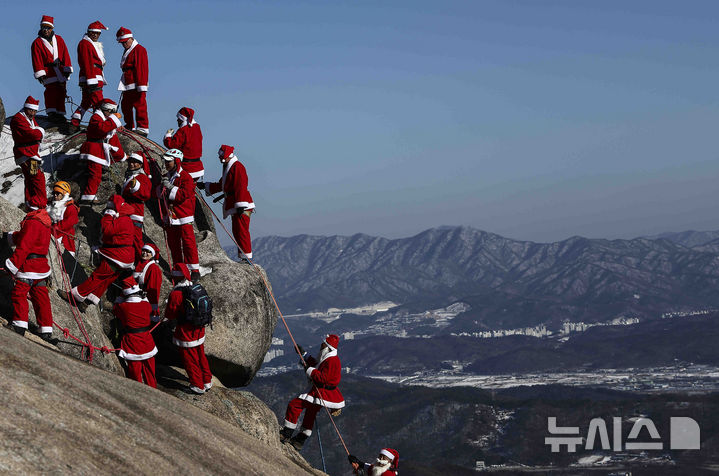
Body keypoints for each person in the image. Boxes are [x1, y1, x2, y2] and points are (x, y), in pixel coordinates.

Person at [59, 195, 134, 311]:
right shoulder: (127, 219)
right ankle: (88, 301)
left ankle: (75, 296)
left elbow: (106, 230)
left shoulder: (122, 220)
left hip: (118, 256)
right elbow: (114, 238)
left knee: (98, 277)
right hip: (125, 258)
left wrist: (108, 215)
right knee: (105, 280)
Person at [280, 334, 345, 450]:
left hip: (321, 393)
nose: (321, 346)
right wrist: (304, 354)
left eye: (323, 344)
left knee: (294, 405)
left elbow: (323, 378)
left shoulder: (332, 361)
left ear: (328, 347)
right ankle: (300, 440)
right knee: (310, 413)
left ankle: (286, 434)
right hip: (323, 392)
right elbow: (317, 364)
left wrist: (309, 370)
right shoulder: (329, 358)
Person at [3, 208, 54, 341]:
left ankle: (19, 325)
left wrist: (12, 265)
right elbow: (25, 236)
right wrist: (9, 236)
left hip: (29, 267)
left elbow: (24, 245)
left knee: (19, 294)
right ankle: (46, 330)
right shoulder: (45, 222)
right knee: (41, 298)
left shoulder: (33, 222)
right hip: (41, 267)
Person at [164, 263, 212, 394]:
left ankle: (197, 385)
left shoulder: (176, 294)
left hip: (186, 331)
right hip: (199, 328)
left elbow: (170, 314)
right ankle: (207, 381)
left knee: (190, 359)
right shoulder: (194, 288)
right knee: (201, 355)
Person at [200, 145, 254, 260]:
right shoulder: (229, 167)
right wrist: (205, 186)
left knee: (242, 232)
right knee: (237, 231)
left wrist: (241, 205)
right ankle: (243, 256)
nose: (219, 159)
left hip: (241, 205)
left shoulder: (237, 167)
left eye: (221, 157)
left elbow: (241, 186)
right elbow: (222, 185)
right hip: (234, 204)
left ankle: (246, 258)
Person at [158, 149, 200, 281]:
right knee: (173, 243)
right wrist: (161, 188)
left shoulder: (186, 177)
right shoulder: (167, 176)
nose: (166, 164)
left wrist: (170, 187)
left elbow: (183, 195)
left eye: (169, 161)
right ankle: (178, 268)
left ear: (176, 162)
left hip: (183, 215)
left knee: (188, 243)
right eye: (165, 161)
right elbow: (159, 195)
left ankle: (194, 270)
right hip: (171, 216)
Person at [113, 275, 157, 388]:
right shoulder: (146, 305)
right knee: (150, 372)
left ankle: (137, 393)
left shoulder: (123, 307)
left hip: (132, 342)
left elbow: (115, 309)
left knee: (135, 373)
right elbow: (148, 307)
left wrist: (122, 295)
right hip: (147, 341)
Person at [79, 98, 126, 203]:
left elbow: (110, 133)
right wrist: (114, 120)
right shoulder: (95, 117)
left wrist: (121, 155)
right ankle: (88, 196)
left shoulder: (102, 119)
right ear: (108, 110)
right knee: (95, 175)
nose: (113, 114)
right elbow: (102, 129)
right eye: (112, 112)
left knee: (96, 173)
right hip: (93, 150)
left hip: (97, 149)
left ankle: (90, 194)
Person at [30, 15, 72, 123]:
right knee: (51, 91)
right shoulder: (37, 43)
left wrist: (67, 69)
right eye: (44, 27)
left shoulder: (59, 39)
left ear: (52, 28)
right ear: (40, 27)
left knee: (62, 91)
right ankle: (52, 112)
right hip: (48, 72)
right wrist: (40, 74)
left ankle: (60, 112)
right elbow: (36, 59)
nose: (46, 30)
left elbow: (65, 54)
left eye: (48, 28)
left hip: (60, 70)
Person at [10, 96, 47, 211]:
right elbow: (31, 134)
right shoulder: (18, 119)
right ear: (26, 108)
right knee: (37, 178)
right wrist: (40, 131)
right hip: (26, 154)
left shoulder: (27, 118)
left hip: (29, 154)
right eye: (31, 110)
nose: (33, 113)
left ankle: (31, 203)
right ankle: (40, 203)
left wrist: (37, 132)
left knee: (31, 179)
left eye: (35, 111)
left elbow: (34, 132)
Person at [71, 21, 108, 130]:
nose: (95, 35)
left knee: (86, 102)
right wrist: (92, 80)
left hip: (93, 77)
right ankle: (99, 125)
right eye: (93, 33)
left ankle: (75, 121)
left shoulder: (92, 44)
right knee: (99, 102)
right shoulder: (85, 44)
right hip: (92, 78)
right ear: (88, 32)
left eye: (98, 33)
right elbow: (87, 62)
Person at [116, 27, 149, 136]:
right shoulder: (128, 50)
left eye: (125, 42)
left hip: (136, 83)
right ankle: (130, 125)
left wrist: (142, 85)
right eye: (122, 43)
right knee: (125, 105)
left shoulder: (139, 49)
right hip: (127, 82)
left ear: (131, 38)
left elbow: (142, 68)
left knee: (140, 105)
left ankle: (143, 127)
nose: (123, 44)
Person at [121, 151, 152, 261]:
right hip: (126, 211)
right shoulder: (130, 175)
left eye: (135, 162)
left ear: (141, 164)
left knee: (136, 239)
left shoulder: (142, 178)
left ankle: (141, 262)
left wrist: (136, 187)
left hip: (135, 212)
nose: (132, 164)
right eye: (130, 161)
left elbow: (146, 194)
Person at [163, 107, 203, 180]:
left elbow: (171, 145)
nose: (177, 120)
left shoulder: (183, 130)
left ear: (182, 119)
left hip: (187, 167)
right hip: (198, 167)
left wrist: (168, 135)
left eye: (179, 119)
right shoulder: (197, 127)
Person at [47, 181, 79, 257]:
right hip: (53, 233)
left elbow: (71, 221)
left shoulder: (71, 207)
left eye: (58, 193)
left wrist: (55, 227)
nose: (55, 195)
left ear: (64, 194)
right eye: (54, 193)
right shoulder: (51, 204)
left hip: (64, 239)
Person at [133, 243, 162, 321]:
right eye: (143, 250)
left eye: (148, 251)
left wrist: (151, 308)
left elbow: (153, 289)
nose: (144, 253)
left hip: (145, 302)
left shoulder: (153, 269)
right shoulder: (140, 263)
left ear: (152, 255)